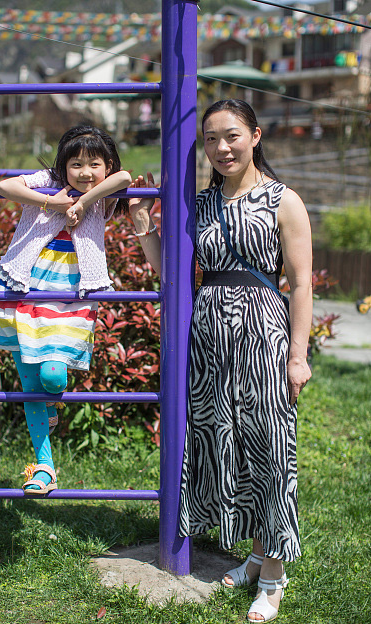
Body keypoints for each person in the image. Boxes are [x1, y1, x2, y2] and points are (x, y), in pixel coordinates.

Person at [130, 99, 313, 623]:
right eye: (210, 140)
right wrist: (147, 232)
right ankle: (255, 555)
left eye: (231, 136)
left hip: (264, 335)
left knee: (272, 451)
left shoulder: (284, 200)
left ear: (255, 135)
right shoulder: (201, 204)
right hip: (208, 339)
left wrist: (297, 356)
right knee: (222, 445)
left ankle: (273, 578)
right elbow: (175, 272)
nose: (221, 148)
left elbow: (301, 283)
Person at [0, 125, 137, 495]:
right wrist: (53, 202)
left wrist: (82, 201)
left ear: (106, 165)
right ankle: (43, 466)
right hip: (22, 287)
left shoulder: (103, 194)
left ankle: (50, 409)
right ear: (62, 165)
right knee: (31, 385)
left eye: (94, 164)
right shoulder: (47, 181)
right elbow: (4, 187)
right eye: (75, 164)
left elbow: (125, 177)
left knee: (52, 379)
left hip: (71, 296)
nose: (84, 172)